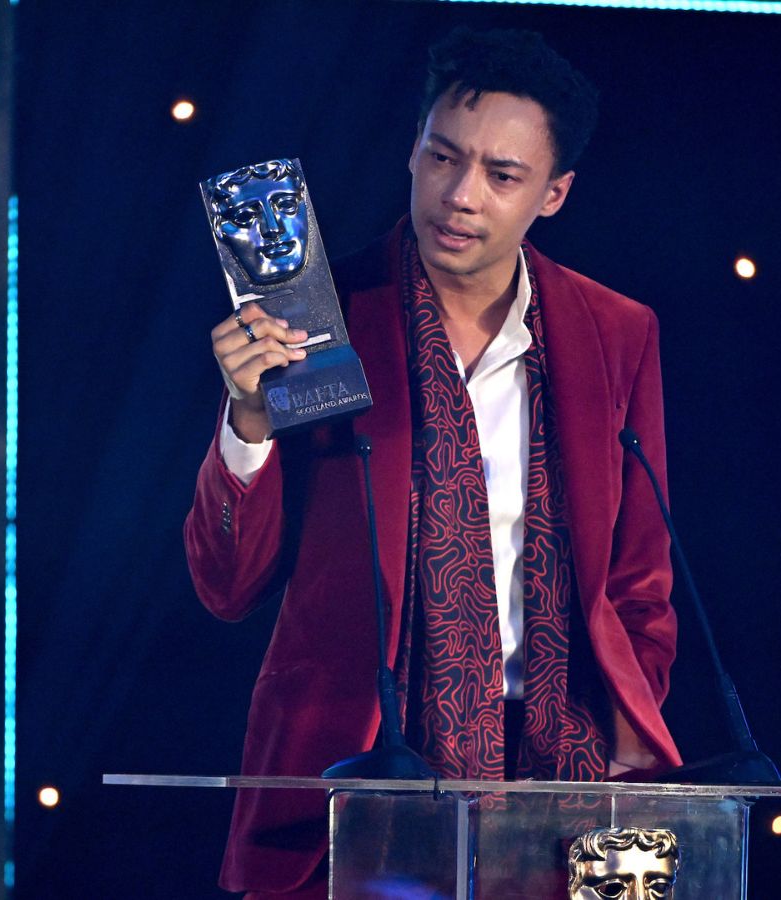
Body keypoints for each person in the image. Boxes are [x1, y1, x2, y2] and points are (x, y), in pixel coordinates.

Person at [185, 26, 683, 899]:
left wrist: (612, 729)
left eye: (502, 175)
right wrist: (251, 417)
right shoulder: (316, 321)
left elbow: (641, 582)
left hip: (562, 776)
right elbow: (228, 586)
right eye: (443, 158)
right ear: (412, 154)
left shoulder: (614, 333)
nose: (460, 196)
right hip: (354, 769)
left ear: (554, 194)